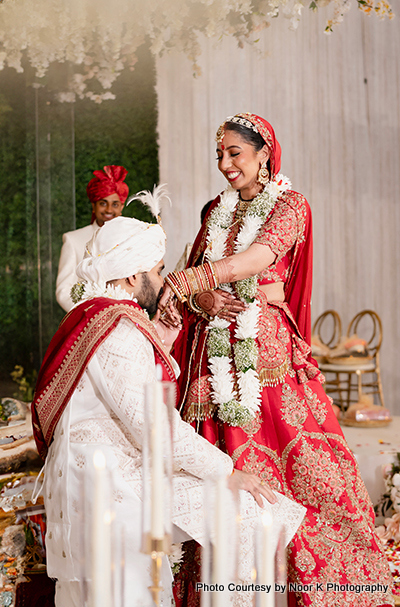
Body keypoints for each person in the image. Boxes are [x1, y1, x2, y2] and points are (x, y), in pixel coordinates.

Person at [166, 113, 393, 607]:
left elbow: (262, 258)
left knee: (311, 473)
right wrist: (201, 295)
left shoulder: (290, 204)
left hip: (268, 362)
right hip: (213, 364)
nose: (225, 164)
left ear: (264, 153)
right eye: (220, 154)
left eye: (235, 154)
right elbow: (194, 273)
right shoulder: (215, 211)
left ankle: (327, 582)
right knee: (218, 476)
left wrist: (198, 280)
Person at [31, 213, 304, 607]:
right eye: (157, 272)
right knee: (249, 507)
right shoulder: (119, 330)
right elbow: (154, 428)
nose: (163, 282)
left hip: (100, 476)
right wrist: (228, 471)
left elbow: (125, 392)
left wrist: (162, 337)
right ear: (130, 278)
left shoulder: (93, 313)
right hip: (111, 487)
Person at [55, 165, 128, 312]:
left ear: (121, 207)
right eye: (103, 203)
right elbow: (63, 291)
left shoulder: (130, 238)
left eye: (115, 204)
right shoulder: (73, 240)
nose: (108, 210)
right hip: (88, 323)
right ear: (93, 206)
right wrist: (90, 316)